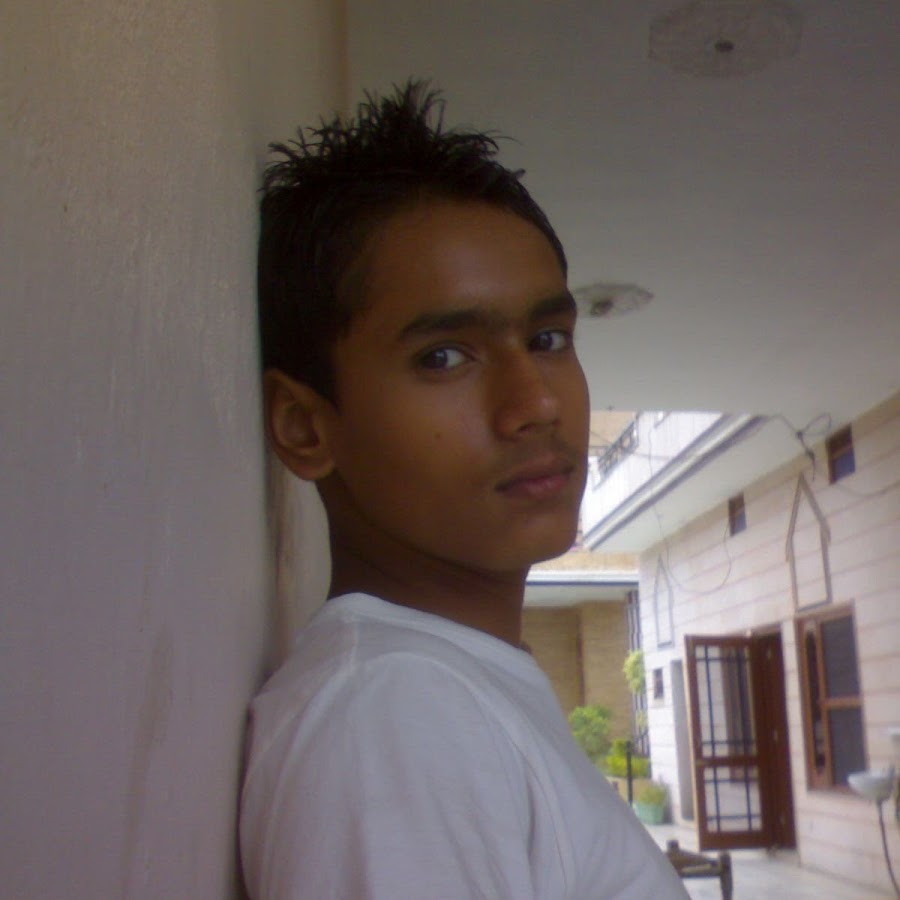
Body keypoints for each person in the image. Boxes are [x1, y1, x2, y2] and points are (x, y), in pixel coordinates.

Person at [239, 81, 688, 899]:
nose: (537, 403)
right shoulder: (394, 717)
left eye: (547, 338)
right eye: (443, 356)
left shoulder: (448, 688)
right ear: (306, 426)